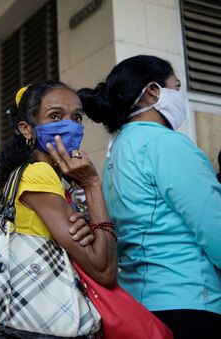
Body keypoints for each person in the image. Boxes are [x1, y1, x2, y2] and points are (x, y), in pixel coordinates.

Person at [78, 55, 221, 338]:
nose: (179, 97)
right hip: (190, 300)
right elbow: (213, 226)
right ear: (153, 91)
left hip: (139, 307)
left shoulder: (117, 152)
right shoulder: (165, 143)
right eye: (176, 88)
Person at [0, 80, 119, 336]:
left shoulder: (52, 177)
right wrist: (93, 184)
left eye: (77, 117)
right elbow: (103, 270)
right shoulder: (39, 174)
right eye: (55, 116)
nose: (70, 125)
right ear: (27, 130)